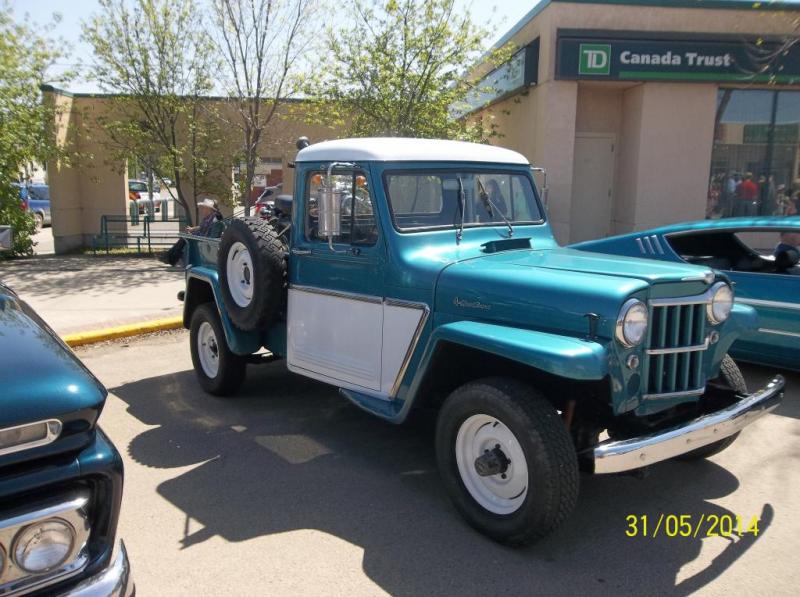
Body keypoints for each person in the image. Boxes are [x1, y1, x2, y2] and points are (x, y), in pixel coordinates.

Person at [159, 198, 223, 266]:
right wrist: (192, 229)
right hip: (201, 237)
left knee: (184, 239)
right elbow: (202, 227)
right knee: (184, 238)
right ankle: (171, 257)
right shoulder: (210, 217)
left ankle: (171, 258)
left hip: (203, 239)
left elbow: (207, 231)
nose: (202, 210)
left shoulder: (213, 218)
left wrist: (193, 233)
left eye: (204, 208)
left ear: (209, 209)